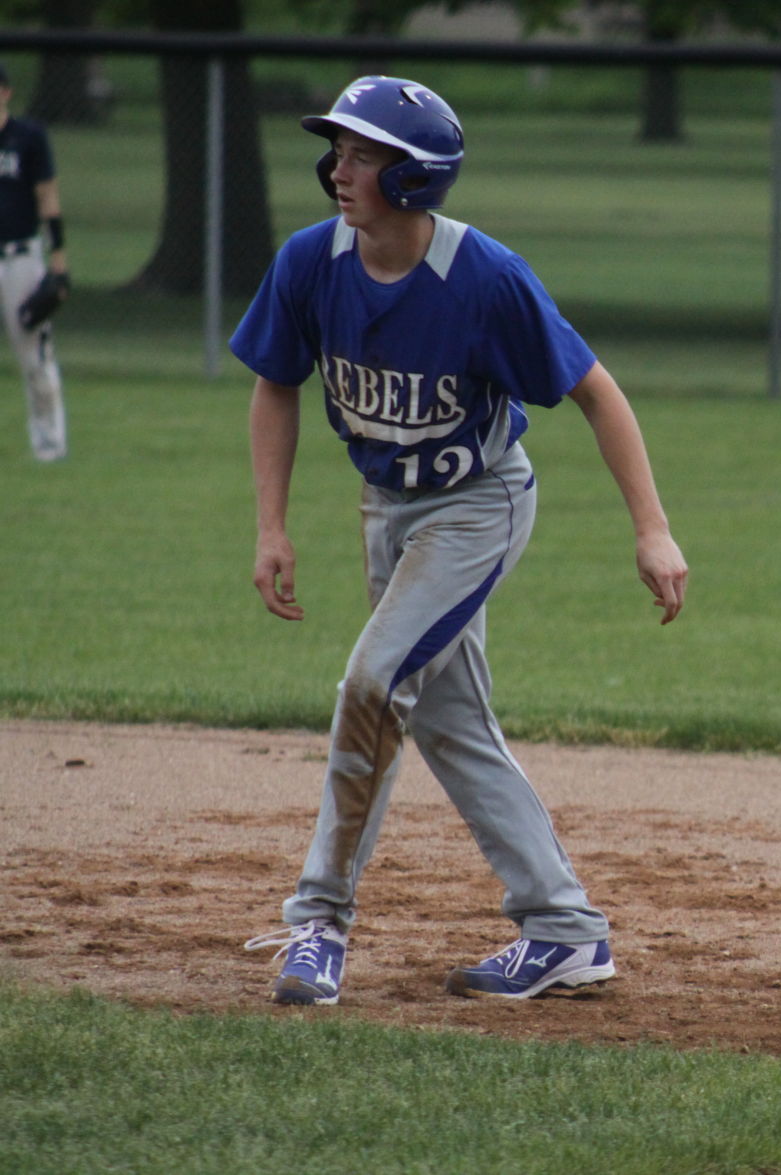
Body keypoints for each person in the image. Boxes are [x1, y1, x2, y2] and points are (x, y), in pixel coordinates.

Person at [235, 77, 688, 1006]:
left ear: (415, 179)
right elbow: (274, 382)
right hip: (383, 509)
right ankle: (565, 930)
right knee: (445, 720)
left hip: (477, 508)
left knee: (371, 684)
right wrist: (272, 526)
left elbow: (597, 393)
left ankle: (317, 922)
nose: (339, 168)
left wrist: (653, 530)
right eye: (339, 150)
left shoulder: (484, 279)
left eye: (364, 155)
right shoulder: (309, 262)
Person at [0, 61, 70, 462]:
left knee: (34, 355)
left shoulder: (28, 138)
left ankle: (49, 444)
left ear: (6, 92)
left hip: (21, 258)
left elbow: (48, 197)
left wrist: (58, 257)